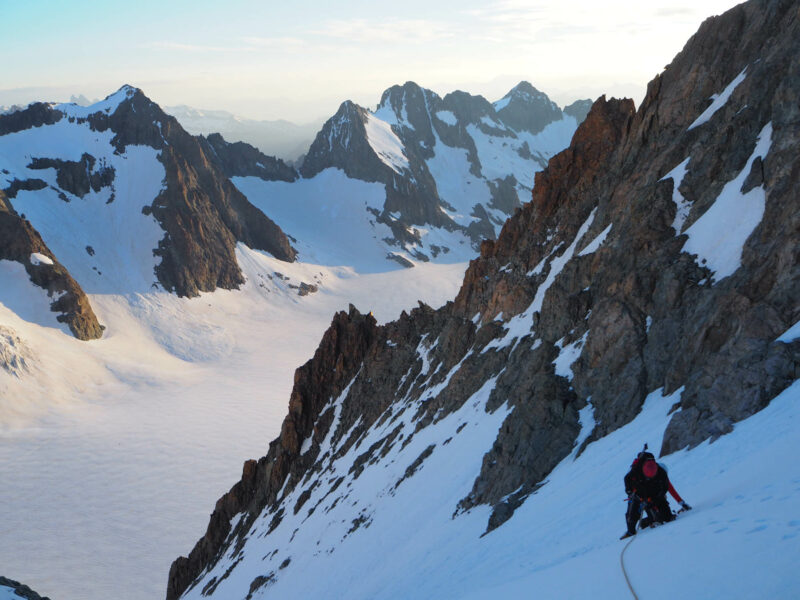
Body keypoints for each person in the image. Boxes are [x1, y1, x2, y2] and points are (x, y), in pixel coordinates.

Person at [620, 446, 691, 539]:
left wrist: (681, 503)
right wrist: (633, 494)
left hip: (654, 494)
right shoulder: (635, 472)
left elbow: (668, 489)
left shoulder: (661, 474)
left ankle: (649, 521)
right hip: (638, 494)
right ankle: (630, 532)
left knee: (666, 517)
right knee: (632, 514)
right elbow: (628, 482)